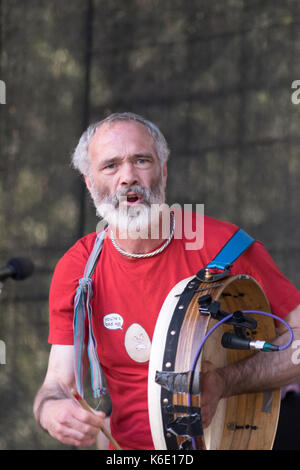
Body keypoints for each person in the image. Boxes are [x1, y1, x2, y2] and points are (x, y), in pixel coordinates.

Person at [33, 112, 300, 450]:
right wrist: (51, 410)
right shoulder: (78, 270)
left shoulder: (226, 249)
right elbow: (56, 383)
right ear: (89, 182)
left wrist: (226, 381)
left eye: (141, 160)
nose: (128, 177)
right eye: (111, 166)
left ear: (163, 170)